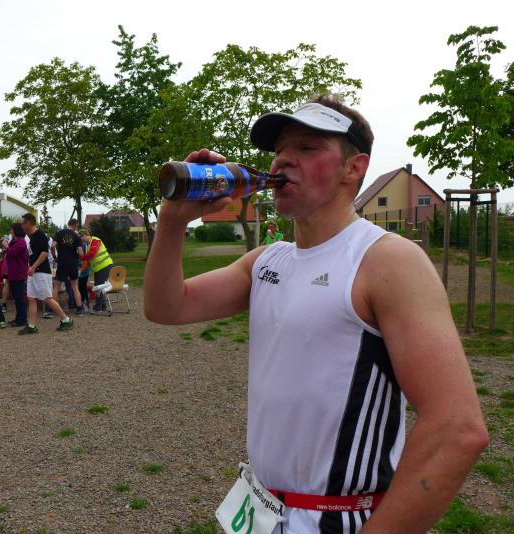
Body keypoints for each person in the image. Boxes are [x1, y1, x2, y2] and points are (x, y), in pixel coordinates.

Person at [143, 94, 488, 533]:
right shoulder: (267, 260)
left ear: (354, 168)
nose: (283, 160)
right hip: (261, 509)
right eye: (280, 150)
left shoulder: (385, 261)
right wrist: (173, 220)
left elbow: (457, 428)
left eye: (307, 148)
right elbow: (166, 306)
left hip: (337, 517)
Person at [18, 213, 73, 334]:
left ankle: (66, 320)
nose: (22, 226)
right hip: (33, 273)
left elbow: (45, 253)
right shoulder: (31, 237)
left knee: (47, 298)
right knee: (31, 298)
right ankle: (32, 326)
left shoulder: (40, 235)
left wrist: (33, 267)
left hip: (41, 272)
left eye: (23, 223)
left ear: (29, 223)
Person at [52, 218, 84, 317]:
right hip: (73, 263)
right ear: (74, 225)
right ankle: (79, 309)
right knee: (75, 286)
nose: (77, 228)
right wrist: (79, 259)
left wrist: (55, 257)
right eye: (77, 226)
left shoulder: (59, 233)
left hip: (62, 263)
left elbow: (53, 246)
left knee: (56, 286)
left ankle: (52, 309)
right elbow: (80, 252)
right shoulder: (77, 236)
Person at [79, 230, 113, 315]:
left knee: (98, 287)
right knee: (100, 286)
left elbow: (92, 254)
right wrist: (81, 269)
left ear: (87, 235)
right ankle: (103, 306)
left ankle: (97, 308)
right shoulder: (88, 244)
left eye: (82, 237)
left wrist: (81, 258)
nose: (82, 239)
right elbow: (89, 260)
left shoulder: (95, 240)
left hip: (104, 266)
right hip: (100, 268)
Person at [5, 223, 29, 327]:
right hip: (13, 272)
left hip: (18, 273)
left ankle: (22, 319)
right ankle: (18, 317)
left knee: (20, 297)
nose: (10, 232)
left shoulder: (21, 241)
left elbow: (13, 253)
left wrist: (6, 246)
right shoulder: (15, 241)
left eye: (12, 230)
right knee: (17, 297)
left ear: (16, 230)